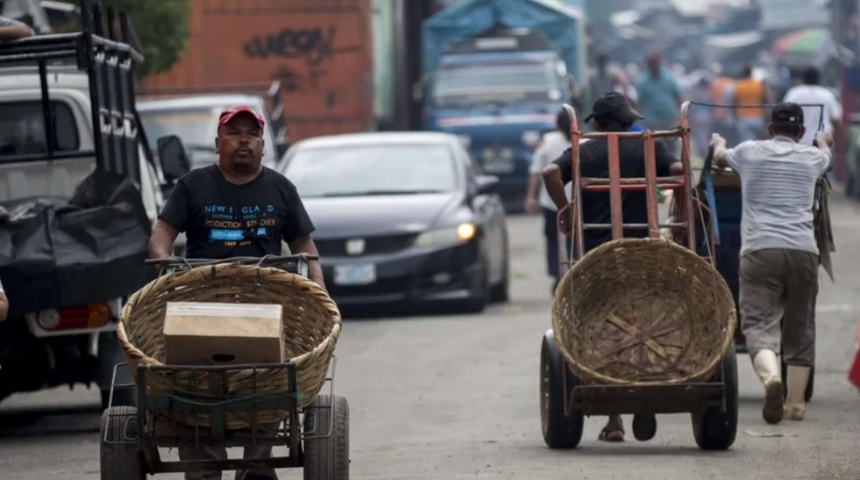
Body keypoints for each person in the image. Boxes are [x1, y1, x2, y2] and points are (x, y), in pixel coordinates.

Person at [148, 105, 326, 480]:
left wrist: (320, 294)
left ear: (262, 144)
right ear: (218, 143)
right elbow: (162, 233)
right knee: (192, 378)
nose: (244, 140)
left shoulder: (281, 188)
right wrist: (164, 263)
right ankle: (203, 465)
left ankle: (256, 463)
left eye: (252, 134)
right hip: (201, 299)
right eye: (234, 133)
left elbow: (304, 247)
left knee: (270, 376)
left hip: (265, 302)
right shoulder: (192, 185)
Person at [542, 92, 683, 442]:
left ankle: (615, 418)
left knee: (604, 328)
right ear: (627, 120)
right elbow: (679, 171)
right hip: (642, 254)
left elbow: (549, 173)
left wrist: (567, 211)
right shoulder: (647, 144)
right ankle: (645, 395)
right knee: (644, 324)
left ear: (600, 124)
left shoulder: (586, 149)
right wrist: (675, 203)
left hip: (596, 257)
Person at [709, 102, 833, 425]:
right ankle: (795, 405)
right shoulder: (813, 157)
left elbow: (720, 159)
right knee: (801, 326)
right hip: (804, 251)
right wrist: (823, 141)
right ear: (801, 133)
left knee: (758, 325)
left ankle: (770, 380)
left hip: (759, 251)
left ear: (769, 129)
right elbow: (826, 155)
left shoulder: (749, 152)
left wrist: (718, 142)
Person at [525, 110, 572, 292]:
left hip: (552, 200)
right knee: (574, 238)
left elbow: (537, 170)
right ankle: (573, 270)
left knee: (553, 239)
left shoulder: (548, 140)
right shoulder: (583, 140)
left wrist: (530, 196)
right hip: (575, 200)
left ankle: (556, 274)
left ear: (558, 125)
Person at [783, 66, 843, 148]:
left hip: (798, 143)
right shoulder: (827, 95)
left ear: (803, 78)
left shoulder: (793, 94)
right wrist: (839, 148)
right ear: (819, 79)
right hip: (822, 143)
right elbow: (836, 121)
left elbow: (783, 115)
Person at [635, 53, 683, 133]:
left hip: (668, 119)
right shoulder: (642, 82)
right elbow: (638, 103)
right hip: (650, 121)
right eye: (652, 64)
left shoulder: (669, 79)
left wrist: (682, 117)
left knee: (670, 142)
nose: (654, 67)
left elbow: (678, 97)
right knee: (652, 143)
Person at [732, 65, 772, 142]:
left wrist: (735, 117)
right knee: (758, 142)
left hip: (743, 119)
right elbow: (765, 100)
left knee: (746, 143)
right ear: (751, 74)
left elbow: (734, 102)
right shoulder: (759, 85)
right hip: (758, 119)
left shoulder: (738, 86)